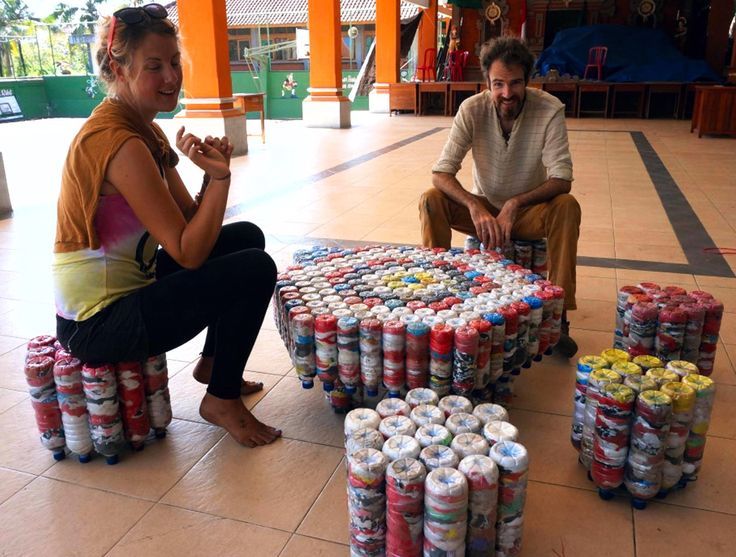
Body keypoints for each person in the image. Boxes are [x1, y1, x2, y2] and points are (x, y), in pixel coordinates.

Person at [52, 3, 281, 448]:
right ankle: (221, 400)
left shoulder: (144, 129)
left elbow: (192, 225)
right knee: (254, 267)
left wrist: (211, 175)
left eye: (174, 63)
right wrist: (220, 179)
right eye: (154, 67)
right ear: (118, 68)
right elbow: (188, 251)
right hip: (97, 323)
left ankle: (215, 365)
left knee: (245, 238)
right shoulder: (119, 142)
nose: (171, 77)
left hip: (132, 291)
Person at [419, 37, 581, 357]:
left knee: (566, 207)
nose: (507, 93)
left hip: (529, 211)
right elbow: (441, 172)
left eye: (516, 83)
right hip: (484, 210)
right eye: (498, 84)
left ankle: (558, 317)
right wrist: (474, 205)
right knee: (431, 199)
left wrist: (515, 203)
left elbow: (562, 178)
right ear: (486, 83)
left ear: (528, 81)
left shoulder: (549, 109)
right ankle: (433, 302)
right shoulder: (472, 109)